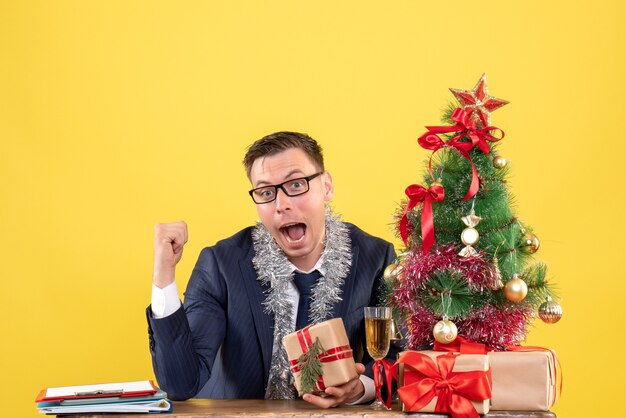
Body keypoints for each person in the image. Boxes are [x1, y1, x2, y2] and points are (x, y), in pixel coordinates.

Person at [147, 131, 397, 408]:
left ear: (326, 186)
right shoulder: (220, 264)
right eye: (266, 192)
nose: (282, 205)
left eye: (296, 184)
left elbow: (400, 357)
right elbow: (180, 384)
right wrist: (163, 277)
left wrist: (359, 389)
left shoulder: (376, 258)